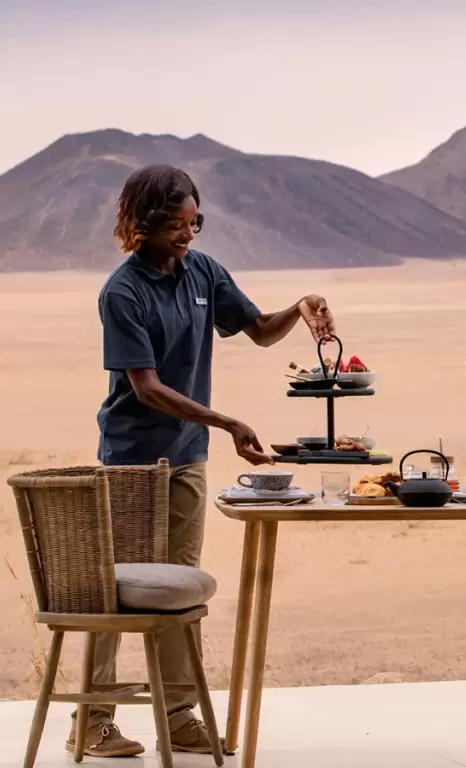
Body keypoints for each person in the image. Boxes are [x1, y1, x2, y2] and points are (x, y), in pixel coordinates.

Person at [71, 164, 335, 758]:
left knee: (179, 589)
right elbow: (146, 387)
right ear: (145, 224)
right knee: (113, 593)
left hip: (187, 457)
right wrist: (228, 423)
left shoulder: (203, 272)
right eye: (176, 224)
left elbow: (260, 330)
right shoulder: (123, 291)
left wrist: (300, 306)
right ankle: (92, 718)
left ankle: (179, 716)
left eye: (196, 222)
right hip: (132, 460)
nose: (188, 234)